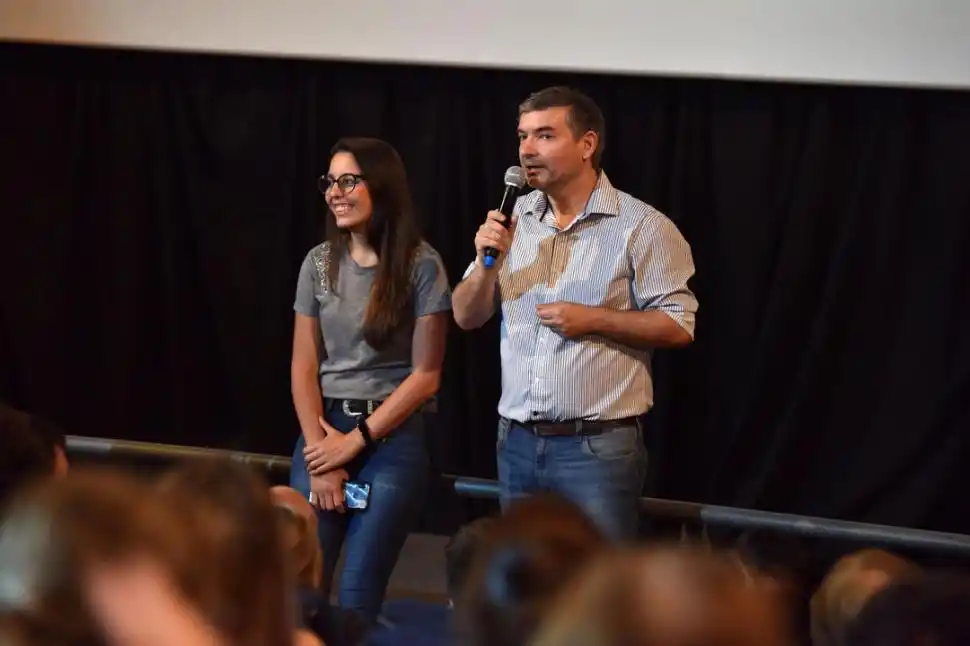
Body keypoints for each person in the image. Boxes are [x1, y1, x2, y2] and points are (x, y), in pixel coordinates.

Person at [452, 86, 698, 541]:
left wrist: (595, 319)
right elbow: (466, 316)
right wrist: (487, 265)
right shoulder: (512, 220)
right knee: (521, 589)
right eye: (523, 136)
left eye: (544, 136)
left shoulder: (642, 227)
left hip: (597, 448)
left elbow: (679, 325)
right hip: (518, 442)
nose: (527, 149)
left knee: (595, 593)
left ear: (587, 144)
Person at [290, 137, 452, 622]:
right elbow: (302, 365)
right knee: (301, 592)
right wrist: (321, 454)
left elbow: (426, 377)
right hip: (324, 428)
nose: (334, 192)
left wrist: (355, 442)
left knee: (359, 594)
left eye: (348, 181)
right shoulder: (318, 262)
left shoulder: (421, 265)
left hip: (391, 438)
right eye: (329, 182)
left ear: (380, 187)